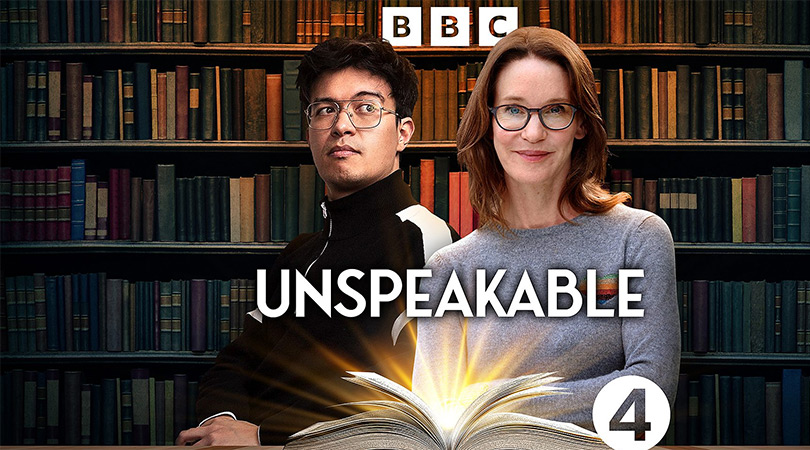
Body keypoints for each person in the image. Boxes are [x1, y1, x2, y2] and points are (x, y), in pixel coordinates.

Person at [177, 35, 458, 446]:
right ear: (310, 130)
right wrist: (221, 422)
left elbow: (409, 401)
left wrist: (261, 435)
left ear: (403, 133)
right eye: (326, 109)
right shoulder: (299, 253)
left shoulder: (433, 244)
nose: (342, 125)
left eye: (366, 108)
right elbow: (236, 362)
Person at [411, 26, 680, 430]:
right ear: (489, 123)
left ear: (582, 124)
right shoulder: (448, 270)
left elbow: (648, 396)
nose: (533, 133)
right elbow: (436, 423)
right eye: (514, 110)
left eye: (555, 110)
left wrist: (486, 404)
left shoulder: (637, 240)